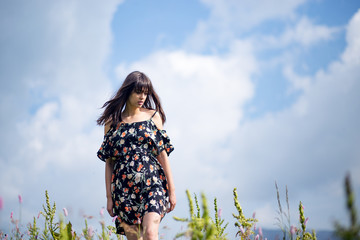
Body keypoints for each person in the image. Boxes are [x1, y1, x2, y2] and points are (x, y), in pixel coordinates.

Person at [96, 71, 176, 240]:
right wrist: (109, 198)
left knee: (150, 233)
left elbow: (163, 156)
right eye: (138, 92)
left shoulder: (153, 117)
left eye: (145, 93)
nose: (142, 97)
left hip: (153, 184)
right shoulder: (112, 123)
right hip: (123, 188)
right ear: (128, 91)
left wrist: (172, 190)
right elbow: (109, 163)